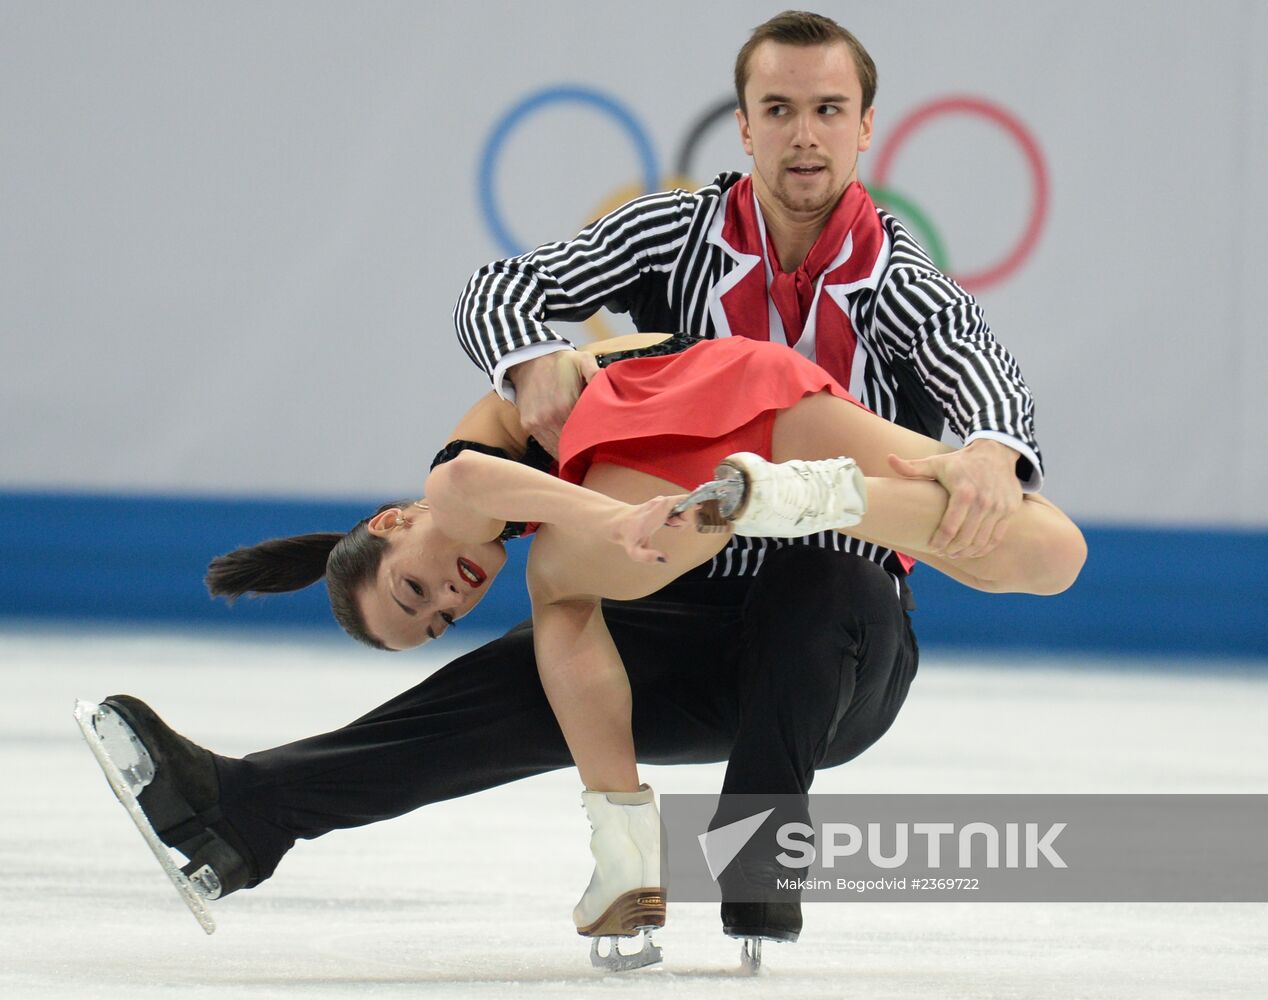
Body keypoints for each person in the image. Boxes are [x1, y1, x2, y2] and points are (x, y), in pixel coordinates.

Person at [86, 10, 1057, 954]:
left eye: (827, 109)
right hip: (687, 605)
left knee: (823, 581)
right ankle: (247, 814)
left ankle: (761, 854)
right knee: (525, 668)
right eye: (778, 109)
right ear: (743, 122)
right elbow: (501, 292)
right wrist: (529, 363)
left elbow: (971, 357)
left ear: (864, 126)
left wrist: (987, 447)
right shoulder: (673, 237)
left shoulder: (894, 278)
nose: (803, 135)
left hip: (840, 657)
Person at [202, 331, 1082, 939]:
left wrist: (614, 521)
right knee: (1048, 551)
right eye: (438, 621)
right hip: (761, 394)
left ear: (393, 520)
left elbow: (476, 476)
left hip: (665, 447)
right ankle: (813, 496)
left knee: (557, 592)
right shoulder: (495, 528)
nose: (451, 599)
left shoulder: (455, 486)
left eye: (415, 587)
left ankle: (624, 851)